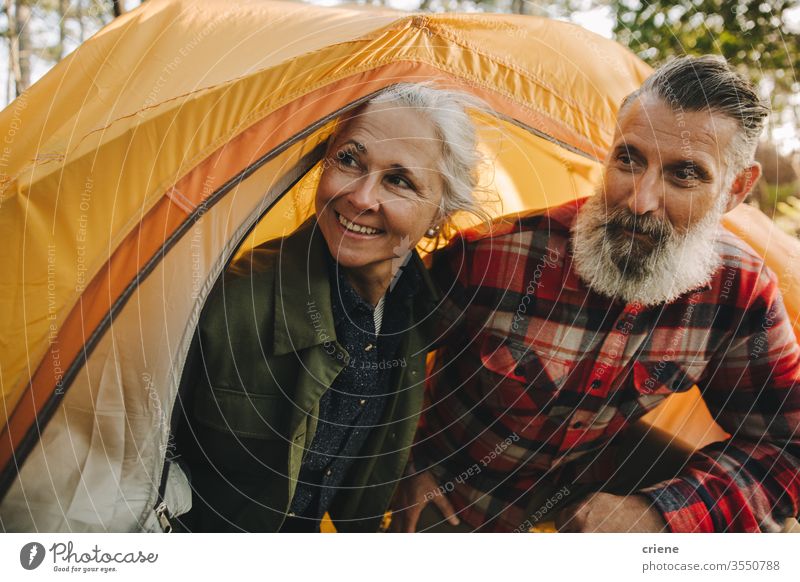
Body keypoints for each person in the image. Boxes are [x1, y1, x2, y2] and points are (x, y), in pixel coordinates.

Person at [392, 56, 800, 533]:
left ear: (736, 190)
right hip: (455, 498)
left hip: (591, 500)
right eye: (629, 159)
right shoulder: (494, 255)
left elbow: (787, 448)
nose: (640, 200)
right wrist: (403, 467)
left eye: (684, 174)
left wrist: (657, 514)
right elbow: (367, 364)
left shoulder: (741, 292)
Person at [174, 83, 487, 532]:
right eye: (349, 160)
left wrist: (416, 472)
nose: (360, 197)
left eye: (399, 180)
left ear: (440, 213)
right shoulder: (226, 300)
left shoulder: (422, 309)